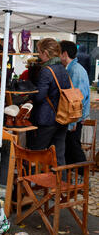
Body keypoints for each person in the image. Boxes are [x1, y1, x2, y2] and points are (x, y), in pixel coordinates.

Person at [28, 38, 72, 167]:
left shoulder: (47, 70)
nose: (39, 55)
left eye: (39, 52)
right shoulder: (62, 68)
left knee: (36, 153)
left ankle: (31, 183)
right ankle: (61, 184)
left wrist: (29, 96)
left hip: (46, 119)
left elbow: (40, 96)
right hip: (61, 117)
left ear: (46, 53)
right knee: (59, 155)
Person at [60, 40, 90, 167]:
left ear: (64, 54)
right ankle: (73, 179)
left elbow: (77, 99)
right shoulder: (72, 68)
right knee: (70, 149)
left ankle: (84, 177)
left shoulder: (76, 71)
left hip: (74, 119)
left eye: (58, 52)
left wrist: (73, 122)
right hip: (74, 118)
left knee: (75, 149)